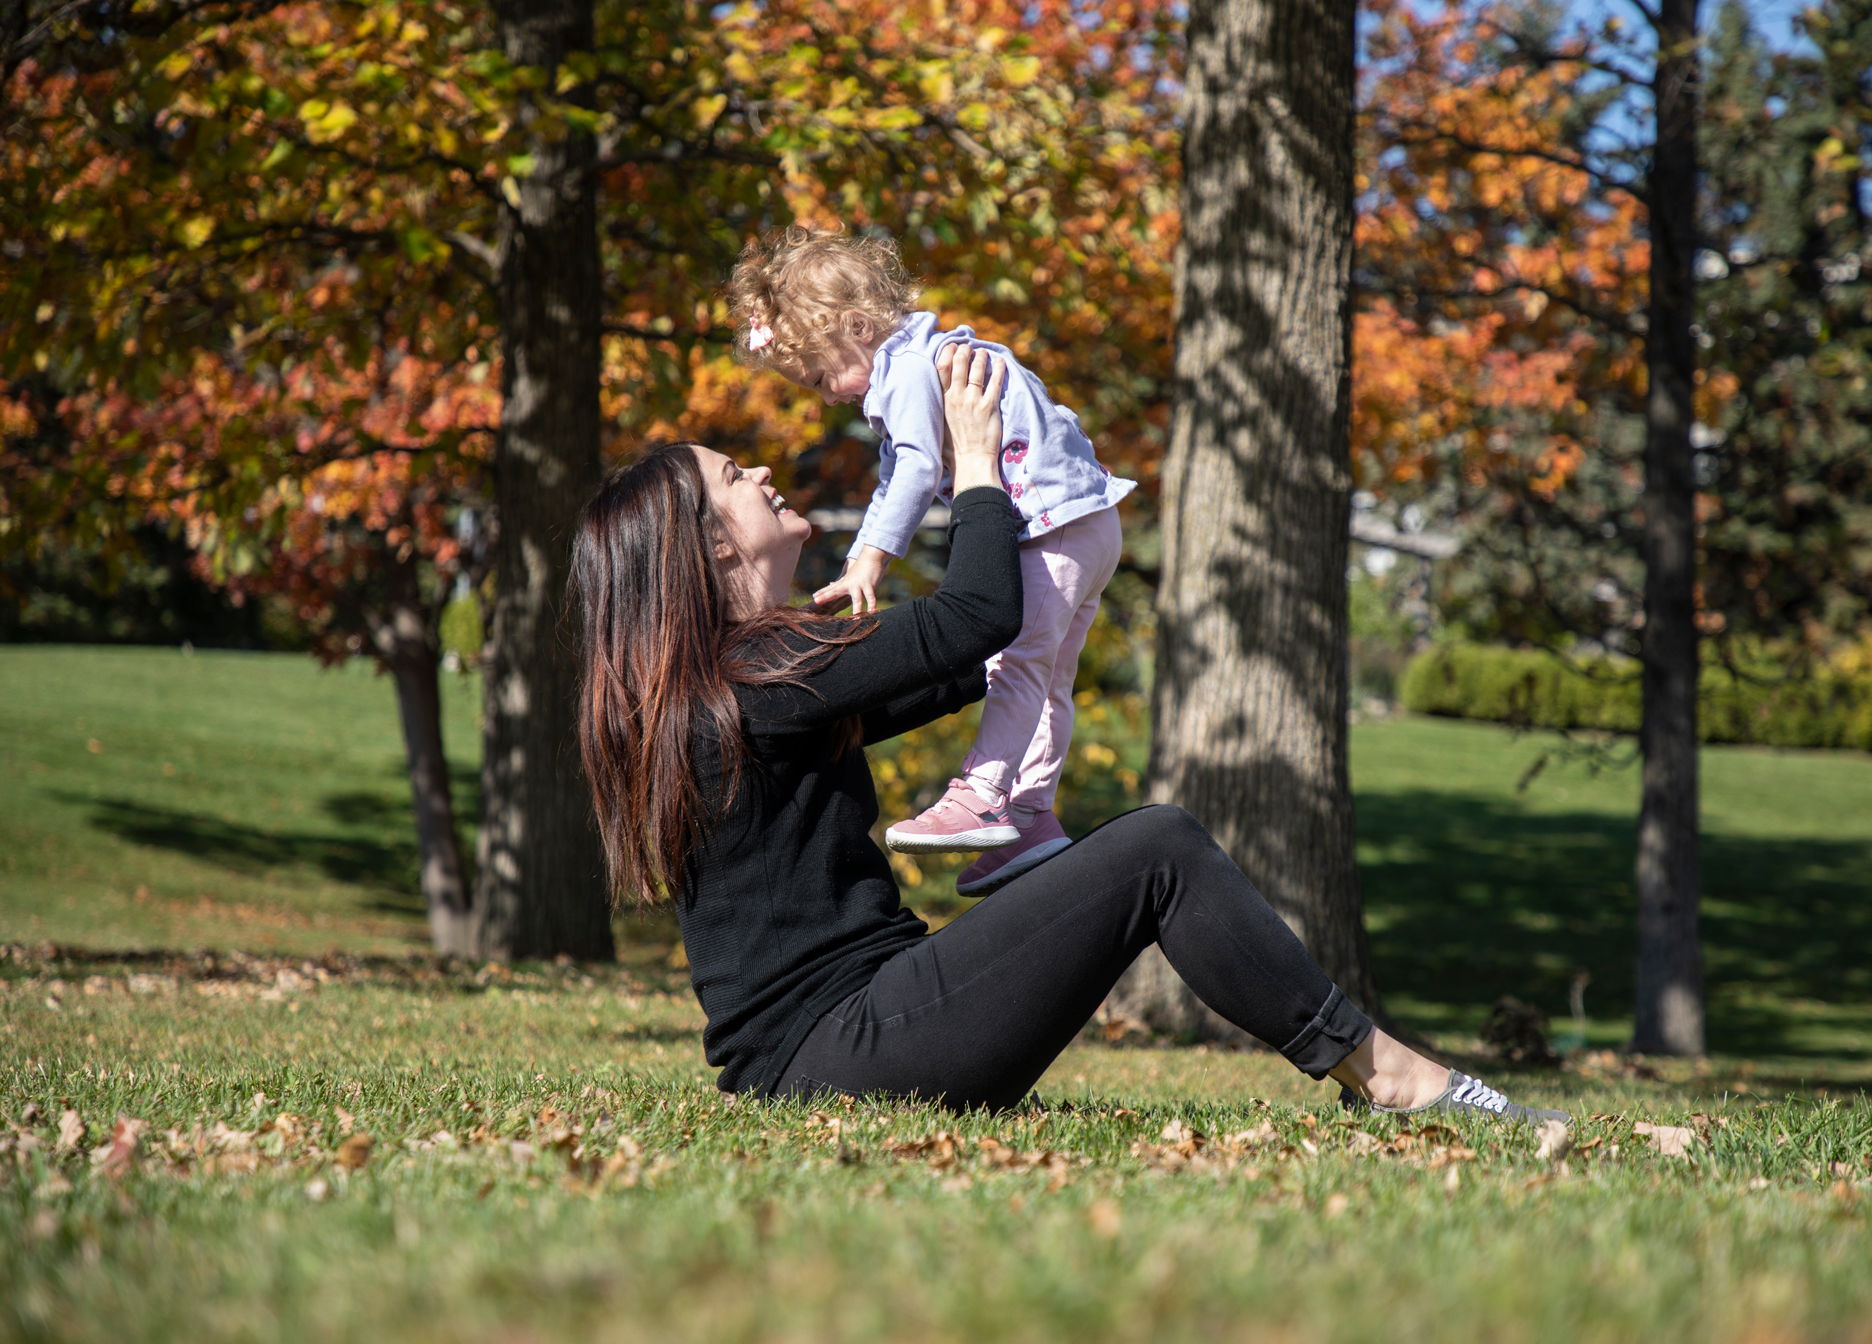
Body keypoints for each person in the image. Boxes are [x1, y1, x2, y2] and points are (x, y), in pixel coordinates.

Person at [570, 342, 1567, 1125]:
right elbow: (975, 617)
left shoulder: (749, 683)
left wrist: (1065, 546)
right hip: (840, 1054)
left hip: (845, 1043)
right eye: (733, 474)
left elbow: (972, 656)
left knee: (1148, 846)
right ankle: (1387, 1077)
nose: (762, 470)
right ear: (707, 543)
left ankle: (1385, 1072)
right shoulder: (756, 682)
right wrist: (975, 461)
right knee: (1157, 849)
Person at [726, 225, 1132, 896]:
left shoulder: (908, 371)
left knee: (1017, 666)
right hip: (1091, 523)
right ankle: (1030, 817)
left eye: (824, 376)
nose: (828, 396)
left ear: (858, 326)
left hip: (1052, 526)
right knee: (1048, 675)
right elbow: (901, 471)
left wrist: (868, 563)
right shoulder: (919, 360)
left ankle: (981, 793)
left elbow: (913, 472)